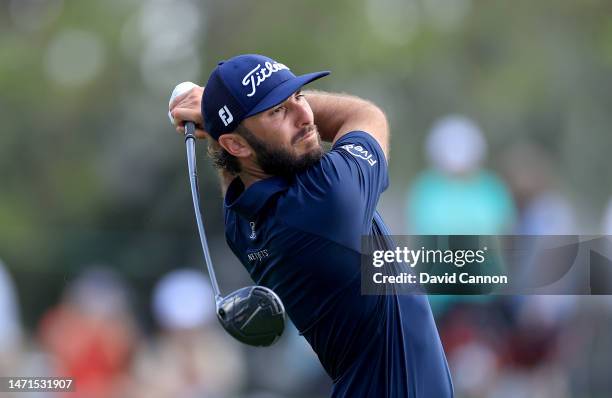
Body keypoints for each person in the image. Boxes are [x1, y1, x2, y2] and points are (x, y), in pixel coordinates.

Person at [169, 54, 453, 397]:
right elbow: (364, 115)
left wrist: (218, 121)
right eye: (277, 111)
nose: (305, 116)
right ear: (237, 144)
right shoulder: (328, 197)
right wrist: (214, 117)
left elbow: (232, 169)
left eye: (298, 96)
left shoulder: (241, 226)